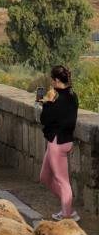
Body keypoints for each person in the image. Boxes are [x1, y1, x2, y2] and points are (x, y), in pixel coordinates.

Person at [39, 65, 80, 221]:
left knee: (63, 181)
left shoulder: (58, 99)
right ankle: (68, 208)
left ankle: (68, 215)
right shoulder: (71, 95)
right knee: (44, 177)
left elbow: (44, 119)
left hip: (57, 142)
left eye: (52, 79)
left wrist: (47, 102)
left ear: (56, 80)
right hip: (61, 140)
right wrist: (50, 102)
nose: (51, 82)